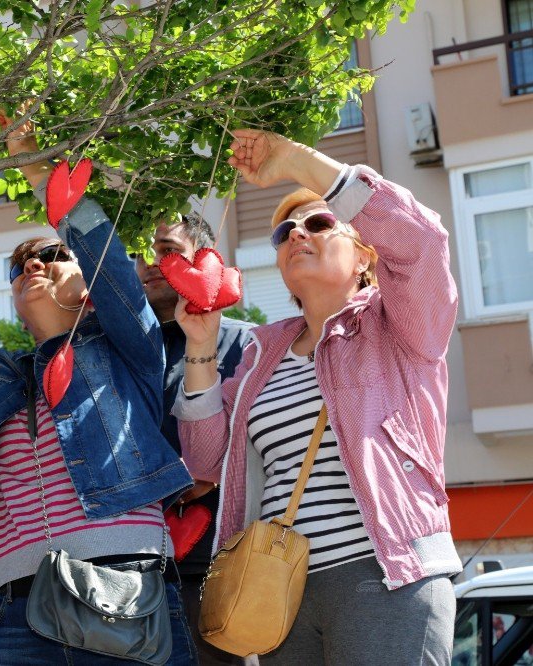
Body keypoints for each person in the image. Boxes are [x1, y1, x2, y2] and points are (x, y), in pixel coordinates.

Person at [0, 111, 195, 665]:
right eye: (20, 263)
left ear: (88, 287)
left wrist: (41, 171)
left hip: (121, 591)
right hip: (14, 610)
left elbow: (109, 261)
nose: (33, 263)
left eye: (53, 255)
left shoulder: (129, 348)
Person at [173, 129, 460, 664]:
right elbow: (206, 460)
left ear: (363, 258)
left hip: (388, 576)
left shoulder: (401, 326)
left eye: (321, 223)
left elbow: (423, 243)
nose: (298, 233)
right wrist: (202, 348)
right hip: (280, 592)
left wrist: (299, 163)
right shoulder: (262, 355)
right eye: (285, 232)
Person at [134, 214, 253, 664]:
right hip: (131, 568)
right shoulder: (122, 350)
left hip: (219, 568)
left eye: (167, 251)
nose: (150, 263)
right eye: (142, 254)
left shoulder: (247, 345)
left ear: (201, 262)